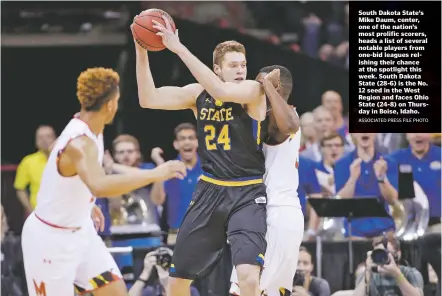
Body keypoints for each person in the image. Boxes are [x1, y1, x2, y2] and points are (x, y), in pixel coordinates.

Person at [133, 14, 280, 296]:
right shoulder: (197, 94)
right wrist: (142, 49)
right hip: (209, 191)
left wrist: (178, 47)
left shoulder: (253, 90)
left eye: (243, 65)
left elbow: (221, 90)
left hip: (247, 193)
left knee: (248, 277)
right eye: (233, 65)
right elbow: (147, 98)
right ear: (217, 68)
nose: (240, 70)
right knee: (178, 282)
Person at [21, 67, 187, 296]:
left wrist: (84, 203)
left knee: (116, 292)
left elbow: (55, 152)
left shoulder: (90, 127)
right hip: (51, 241)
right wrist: (157, 173)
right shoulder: (80, 143)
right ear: (110, 105)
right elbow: (99, 185)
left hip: (82, 232)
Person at [230, 65, 303, 296]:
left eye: (259, 84)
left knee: (242, 290)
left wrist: (267, 86)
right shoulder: (262, 118)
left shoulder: (283, 117)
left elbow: (289, 126)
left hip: (274, 215)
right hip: (272, 215)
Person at [14, 125, 56, 214]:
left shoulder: (66, 159)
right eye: (40, 137)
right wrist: (30, 210)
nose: (44, 140)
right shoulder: (28, 161)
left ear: (55, 139)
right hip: (39, 213)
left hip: (64, 212)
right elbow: (19, 188)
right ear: (36, 142)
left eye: (48, 136)